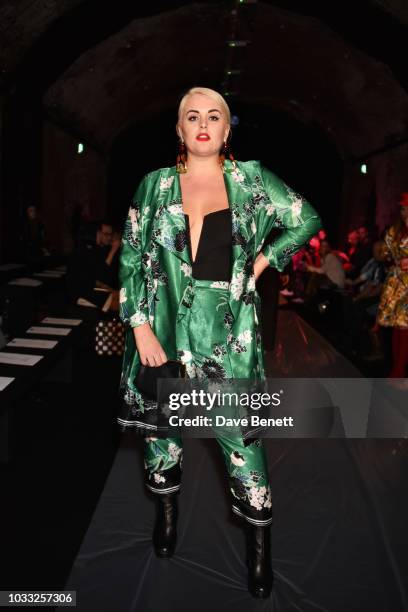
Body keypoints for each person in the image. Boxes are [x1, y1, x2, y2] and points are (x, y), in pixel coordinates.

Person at [118, 87, 322, 598]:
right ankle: (165, 516)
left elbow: (305, 219)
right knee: (162, 437)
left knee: (242, 446)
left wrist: (262, 262)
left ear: (227, 131)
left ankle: (259, 548)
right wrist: (140, 325)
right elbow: (131, 254)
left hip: (226, 340)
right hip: (161, 337)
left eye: (214, 116)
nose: (203, 124)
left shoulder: (250, 180)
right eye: (193, 116)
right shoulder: (154, 185)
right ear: (181, 130)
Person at [376, 193, 408, 383]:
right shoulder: (396, 230)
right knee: (396, 328)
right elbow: (384, 252)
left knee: (404, 328)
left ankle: (398, 373)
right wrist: (385, 256)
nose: (405, 212)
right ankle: (398, 372)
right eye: (404, 208)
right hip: (396, 283)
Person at [66, 220, 120, 310]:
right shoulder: (86, 250)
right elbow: (102, 276)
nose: (109, 237)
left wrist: (113, 290)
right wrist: (113, 250)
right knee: (128, 305)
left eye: (111, 234)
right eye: (106, 234)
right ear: (97, 233)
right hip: (83, 294)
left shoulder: (95, 249)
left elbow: (99, 279)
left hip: (90, 291)